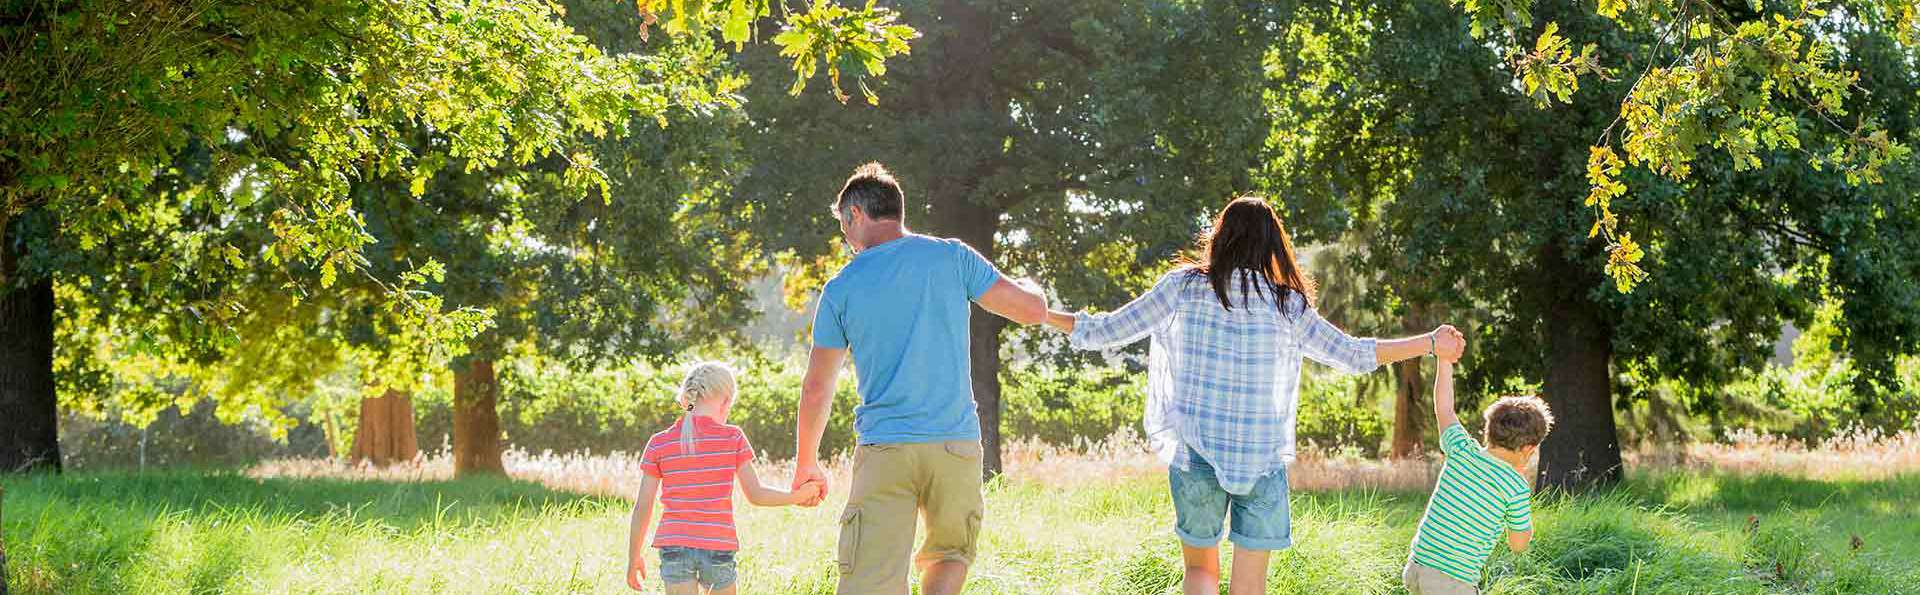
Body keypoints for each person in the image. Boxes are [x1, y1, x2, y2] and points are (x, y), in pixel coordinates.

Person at [1042, 196, 1464, 595]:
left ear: (1220, 237)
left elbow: (1105, 330)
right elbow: (1354, 354)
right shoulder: (1287, 305)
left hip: (1195, 457)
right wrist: (1429, 342)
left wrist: (1038, 313)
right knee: (1249, 588)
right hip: (1260, 463)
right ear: (1273, 246)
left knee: (1200, 571)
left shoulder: (1182, 287)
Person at [789, 162, 1049, 595]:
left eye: (842, 226)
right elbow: (1031, 311)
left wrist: (805, 463)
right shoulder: (952, 256)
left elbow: (817, 386)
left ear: (856, 214)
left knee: (869, 581)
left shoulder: (842, 287)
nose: (845, 239)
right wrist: (1035, 290)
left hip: (886, 448)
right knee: (950, 556)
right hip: (954, 444)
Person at [625, 362, 824, 594]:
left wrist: (634, 556)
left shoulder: (660, 442)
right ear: (726, 401)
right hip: (717, 545)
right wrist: (799, 495)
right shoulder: (733, 438)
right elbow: (757, 495)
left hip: (674, 544)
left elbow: (643, 506)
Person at [1403, 356, 1554, 594]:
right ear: (1529, 449)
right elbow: (1518, 544)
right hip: (1452, 583)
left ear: (1488, 430)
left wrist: (1444, 360)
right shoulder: (1515, 487)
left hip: (1417, 568)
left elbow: (1443, 408)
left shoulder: (1462, 449)